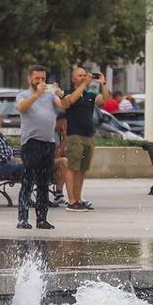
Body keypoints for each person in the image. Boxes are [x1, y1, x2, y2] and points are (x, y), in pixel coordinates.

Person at [14, 65, 63, 229]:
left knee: (44, 182)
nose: (41, 81)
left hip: (48, 143)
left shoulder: (49, 96)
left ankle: (42, 218)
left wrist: (58, 94)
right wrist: (37, 94)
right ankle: (22, 218)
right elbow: (21, 108)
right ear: (30, 79)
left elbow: (62, 106)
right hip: (31, 142)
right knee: (28, 181)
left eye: (43, 79)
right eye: (37, 79)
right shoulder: (24, 95)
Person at [61, 66, 106, 212]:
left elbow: (104, 99)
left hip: (88, 135)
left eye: (84, 75)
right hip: (75, 135)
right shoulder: (68, 92)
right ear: (73, 78)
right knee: (72, 167)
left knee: (82, 169)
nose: (83, 77)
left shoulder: (89, 94)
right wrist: (84, 84)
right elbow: (70, 101)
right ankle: (71, 200)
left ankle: (78, 198)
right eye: (79, 76)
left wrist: (103, 83)